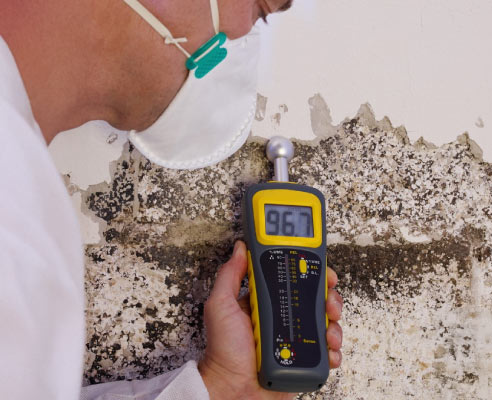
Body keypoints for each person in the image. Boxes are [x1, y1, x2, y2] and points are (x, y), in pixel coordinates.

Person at [0, 0, 344, 399]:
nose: (242, 32)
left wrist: (224, 387)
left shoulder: (23, 185)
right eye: (260, 6)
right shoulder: (14, 211)